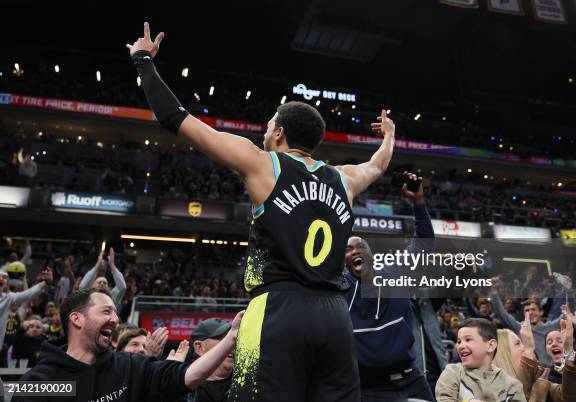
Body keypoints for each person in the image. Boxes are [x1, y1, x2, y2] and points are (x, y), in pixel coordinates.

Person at [127, 22, 395, 402]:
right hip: (336, 315)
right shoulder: (344, 179)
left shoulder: (263, 164)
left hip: (276, 308)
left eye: (269, 126)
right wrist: (389, 136)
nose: (264, 132)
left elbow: (177, 118)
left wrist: (143, 62)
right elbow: (379, 165)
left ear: (281, 133)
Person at [14, 288, 244, 402]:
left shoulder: (131, 367)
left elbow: (188, 377)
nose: (115, 319)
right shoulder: (39, 382)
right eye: (106, 311)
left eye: (115, 312)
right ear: (77, 319)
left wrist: (229, 340)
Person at [344, 173, 436, 401]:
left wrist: (418, 203)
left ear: (371, 256)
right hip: (368, 388)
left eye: (360, 247)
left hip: (411, 380)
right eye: (348, 249)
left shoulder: (396, 273)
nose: (356, 251)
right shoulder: (339, 289)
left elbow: (424, 245)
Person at [492, 311, 576, 402]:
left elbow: (568, 398)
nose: (524, 347)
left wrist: (568, 353)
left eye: (522, 342)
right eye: (518, 343)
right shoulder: (495, 390)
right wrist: (529, 351)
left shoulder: (538, 376)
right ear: (504, 353)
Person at [435, 318, 526, 402]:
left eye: (468, 339)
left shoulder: (512, 386)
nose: (461, 346)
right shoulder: (452, 373)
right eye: (459, 341)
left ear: (491, 346)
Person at [490, 279, 562, 366]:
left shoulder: (552, 326)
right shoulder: (520, 327)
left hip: (551, 372)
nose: (530, 312)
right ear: (524, 314)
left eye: (533, 309)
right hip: (529, 372)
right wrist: (494, 291)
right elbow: (502, 313)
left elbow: (568, 314)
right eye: (527, 310)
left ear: (541, 312)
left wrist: (569, 292)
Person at [0, 268, 52, 367]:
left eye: (5, 277)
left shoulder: (8, 298)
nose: (2, 279)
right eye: (0, 276)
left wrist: (46, 282)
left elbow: (29, 294)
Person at [185, 318, 235, 402]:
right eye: (223, 340)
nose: (232, 345)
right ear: (199, 347)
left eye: (233, 339)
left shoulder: (248, 383)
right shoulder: (180, 389)